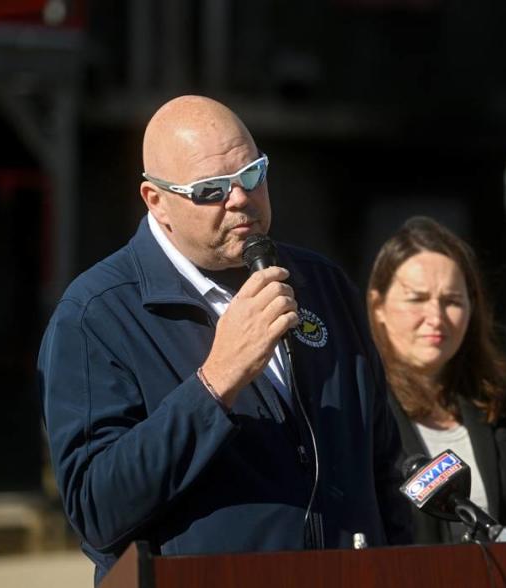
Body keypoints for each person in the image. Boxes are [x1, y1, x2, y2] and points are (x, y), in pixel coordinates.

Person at [37, 95, 411, 582]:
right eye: (210, 190)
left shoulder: (322, 284)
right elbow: (96, 509)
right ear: (157, 201)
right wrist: (215, 383)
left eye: (252, 175)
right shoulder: (95, 315)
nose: (239, 198)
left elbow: (384, 466)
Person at [366, 216, 506, 544]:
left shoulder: (502, 405)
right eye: (417, 298)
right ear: (378, 307)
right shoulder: (359, 409)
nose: (436, 317)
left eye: (453, 301)